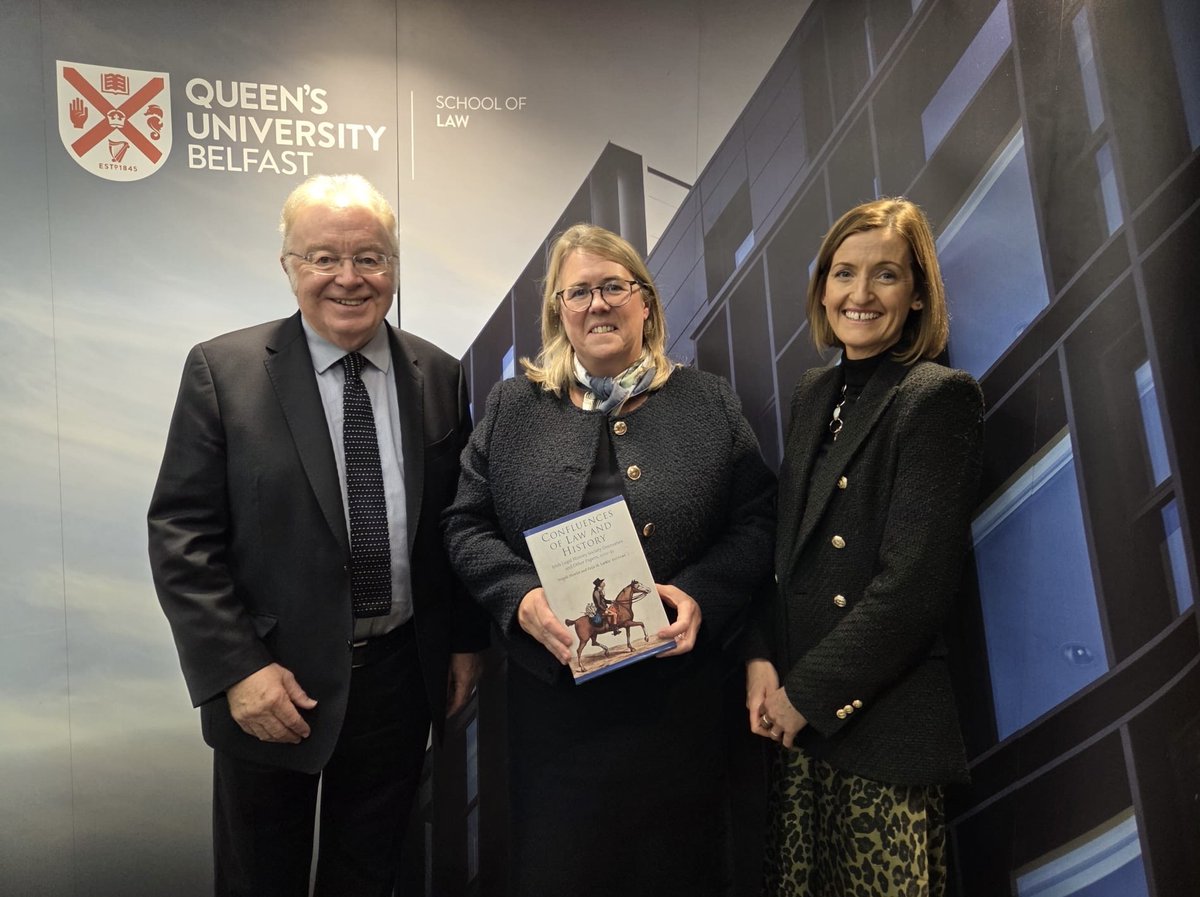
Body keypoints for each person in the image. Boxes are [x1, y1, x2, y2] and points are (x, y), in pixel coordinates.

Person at [147, 174, 488, 897]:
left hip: (399, 681)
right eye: (323, 257)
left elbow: (454, 524)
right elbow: (182, 534)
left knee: (369, 876)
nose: (348, 278)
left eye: (370, 257)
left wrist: (463, 640)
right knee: (259, 880)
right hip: (273, 686)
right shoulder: (224, 371)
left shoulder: (441, 373)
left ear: (394, 267)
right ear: (288, 267)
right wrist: (238, 670)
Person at [443, 223, 776, 896]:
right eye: (579, 292)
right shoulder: (513, 407)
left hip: (680, 707)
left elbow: (758, 519)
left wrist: (701, 593)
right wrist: (520, 598)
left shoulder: (708, 401)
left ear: (645, 303)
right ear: (559, 312)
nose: (598, 304)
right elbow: (465, 526)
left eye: (614, 287)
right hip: (551, 714)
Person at [745, 197, 984, 896]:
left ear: (916, 295)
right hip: (798, 727)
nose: (859, 293)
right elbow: (785, 560)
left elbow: (914, 586)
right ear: (822, 287)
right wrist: (760, 658)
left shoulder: (937, 397)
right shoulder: (812, 393)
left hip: (878, 731)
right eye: (843, 273)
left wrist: (807, 695)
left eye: (886, 275)